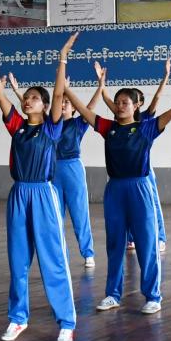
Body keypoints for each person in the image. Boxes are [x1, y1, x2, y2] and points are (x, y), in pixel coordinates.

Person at [72, 59, 171, 314]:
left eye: (126, 102)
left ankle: (153, 296)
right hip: (114, 190)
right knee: (115, 244)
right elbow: (83, 110)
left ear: (136, 106)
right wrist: (67, 87)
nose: (121, 105)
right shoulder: (108, 128)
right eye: (118, 102)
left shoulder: (146, 128)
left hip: (140, 188)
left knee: (146, 242)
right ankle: (112, 294)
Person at [0, 37, 77, 341]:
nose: (28, 100)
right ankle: (18, 318)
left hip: (43, 195)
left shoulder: (52, 127)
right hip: (19, 195)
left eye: (35, 98)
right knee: (18, 260)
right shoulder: (17, 126)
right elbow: (0, 94)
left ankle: (66, 321)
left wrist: (62, 59)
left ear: (46, 106)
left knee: (53, 260)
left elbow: (59, 92)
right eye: (26, 97)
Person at [52, 63, 108, 271]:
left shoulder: (78, 123)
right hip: (53, 171)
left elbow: (90, 107)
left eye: (67, 103)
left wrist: (100, 85)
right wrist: (60, 86)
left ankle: (88, 252)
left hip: (73, 169)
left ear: (74, 108)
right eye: (61, 102)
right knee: (55, 216)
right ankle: (61, 254)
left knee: (79, 213)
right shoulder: (51, 124)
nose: (63, 105)